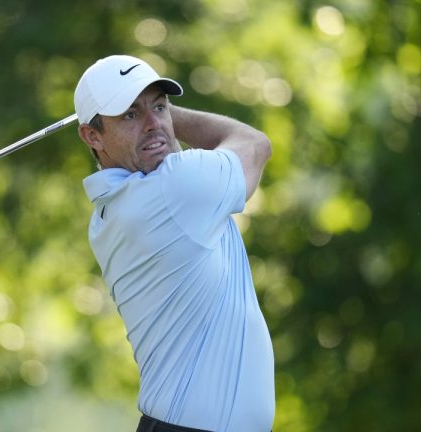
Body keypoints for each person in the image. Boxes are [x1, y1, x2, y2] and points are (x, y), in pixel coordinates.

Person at [74, 55, 275, 432]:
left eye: (160, 107)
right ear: (91, 135)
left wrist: (144, 116)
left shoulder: (109, 210)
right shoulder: (175, 188)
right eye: (130, 116)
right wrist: (168, 118)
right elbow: (255, 144)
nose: (153, 124)